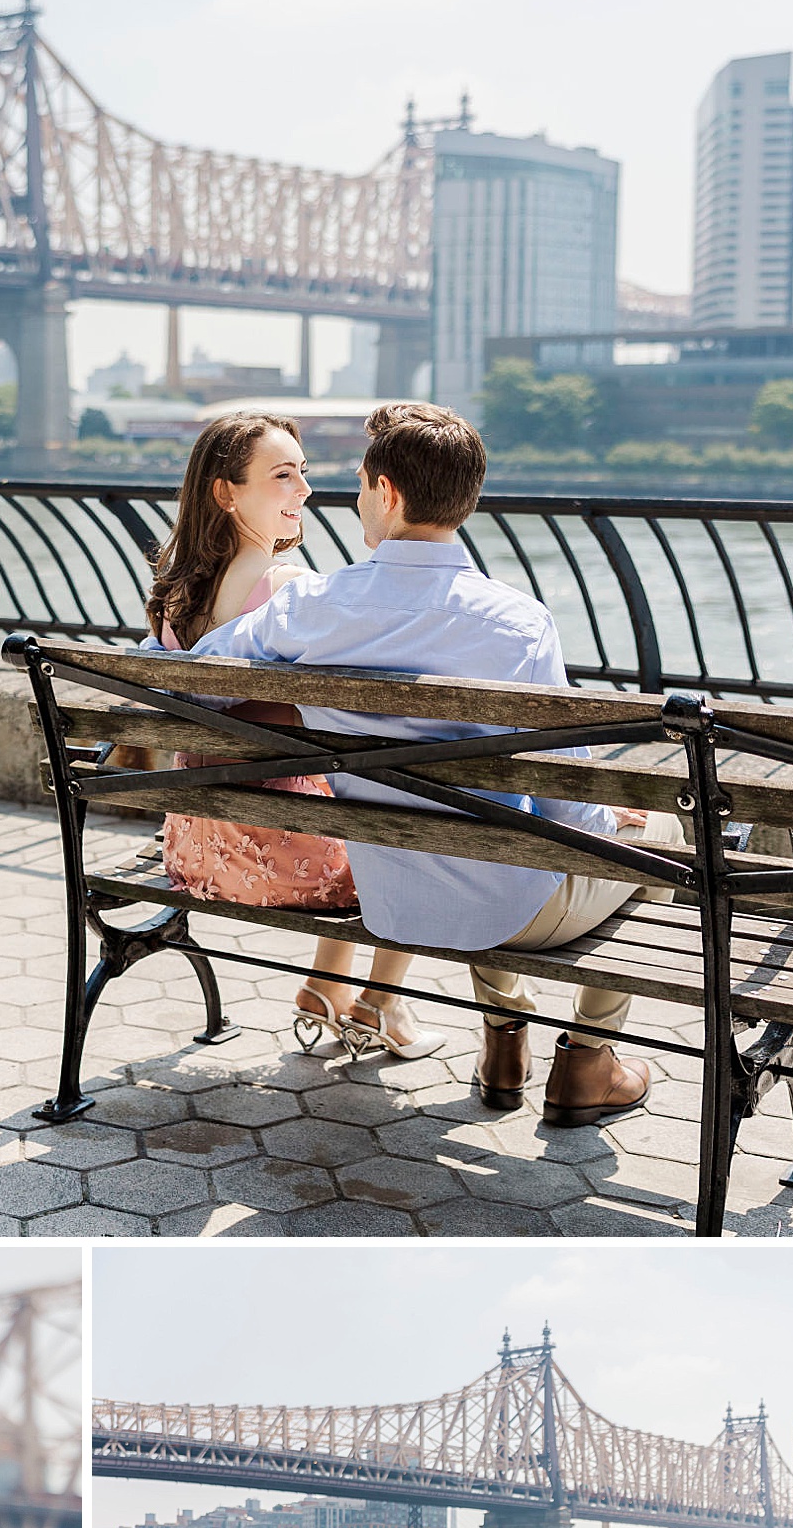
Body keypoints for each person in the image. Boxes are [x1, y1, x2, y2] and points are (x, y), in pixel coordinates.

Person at [196, 401, 689, 1125]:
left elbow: (188, 676)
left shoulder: (315, 606)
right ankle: (587, 1061)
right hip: (501, 909)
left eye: (363, 483)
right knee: (662, 845)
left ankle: (506, 1041)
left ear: (388, 493)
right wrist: (610, 821)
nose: (357, 497)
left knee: (487, 842)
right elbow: (566, 803)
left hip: (392, 898)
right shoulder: (518, 623)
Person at [142, 411, 445, 1062]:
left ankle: (328, 989)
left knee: (349, 804)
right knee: (421, 832)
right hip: (283, 863)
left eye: (303, 474)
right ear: (227, 493)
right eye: (283, 476)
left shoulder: (170, 597)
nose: (305, 491)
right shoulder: (289, 590)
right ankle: (379, 1003)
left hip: (195, 852)